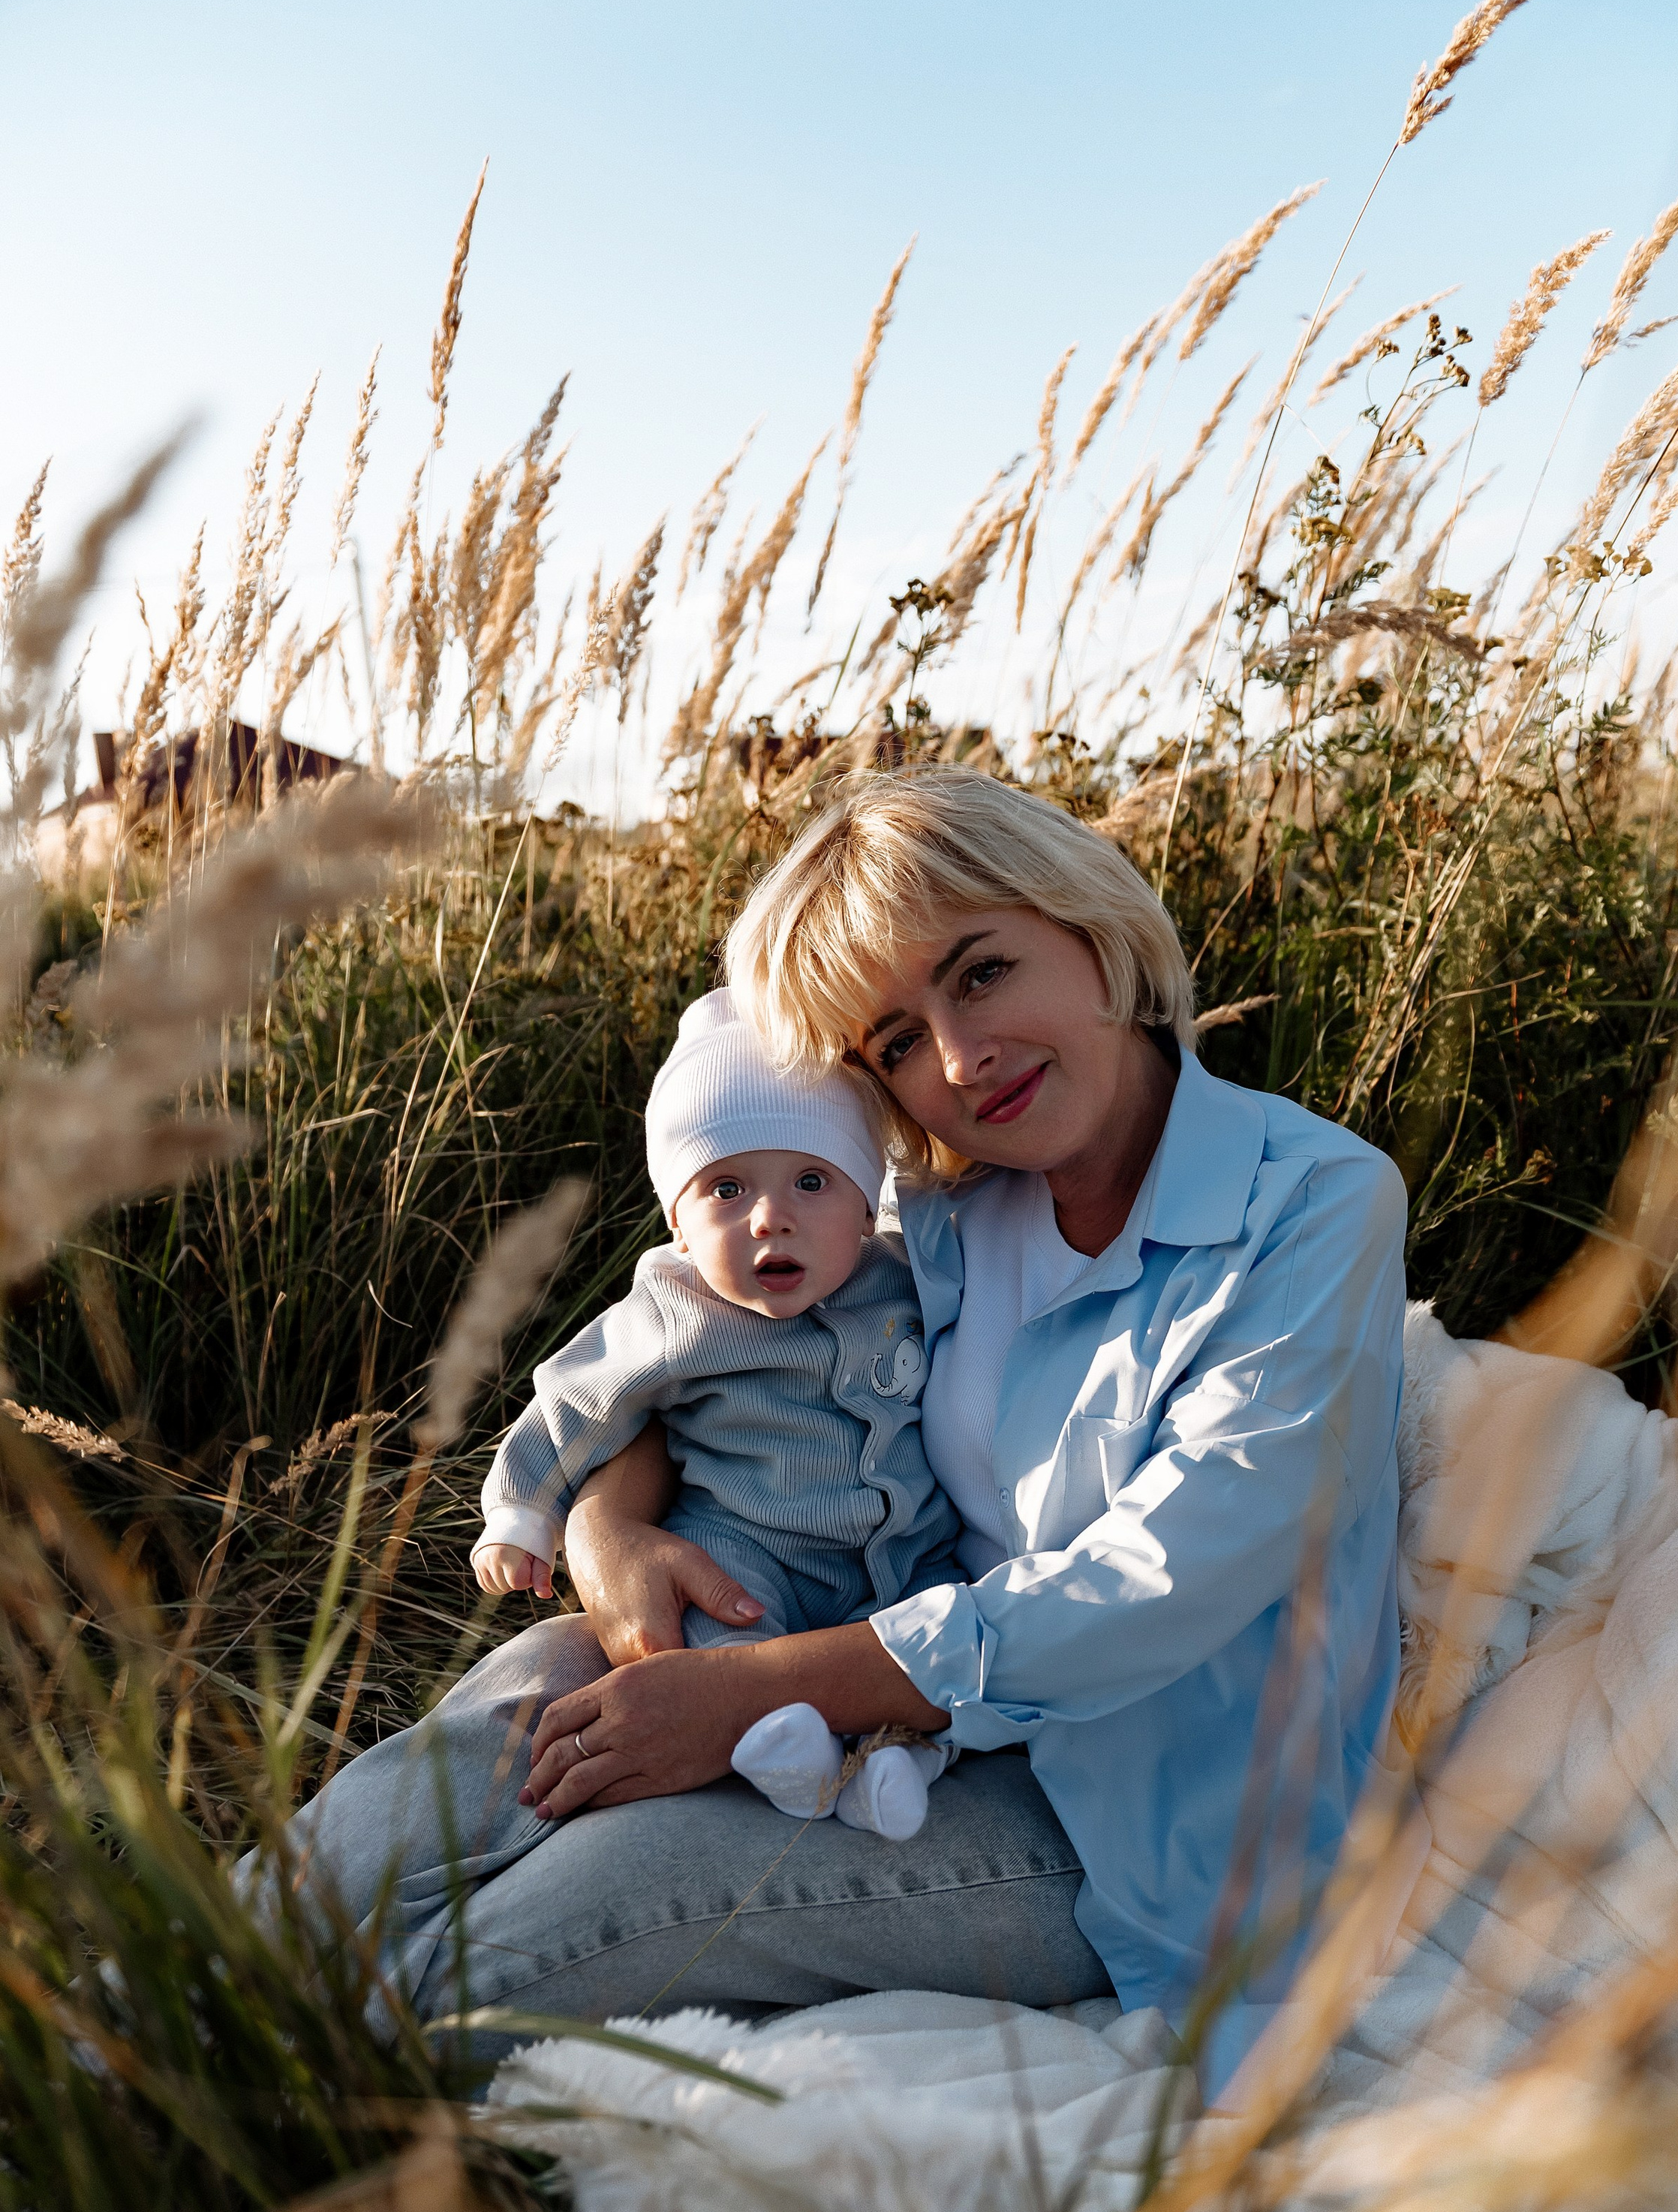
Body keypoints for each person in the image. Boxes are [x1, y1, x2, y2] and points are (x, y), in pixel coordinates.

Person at [266, 769, 1406, 2088]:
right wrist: (608, 1520)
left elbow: (1159, 1588)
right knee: (536, 1694)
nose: (962, 1062)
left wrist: (759, 1688)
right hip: (885, 1707)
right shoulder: (952, 1209)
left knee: (593, 1899)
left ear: (1091, 928)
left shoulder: (1311, 1203)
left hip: (1136, 1823)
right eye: (897, 1042)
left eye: (981, 974)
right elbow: (722, 1339)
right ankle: (148, 1983)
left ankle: (220, 2102)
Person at [472, 985, 962, 1840]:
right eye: (727, 1190)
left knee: (937, 1634)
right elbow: (579, 1395)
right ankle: (783, 1752)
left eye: (813, 1181)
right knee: (713, 1624)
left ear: (864, 1201)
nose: (771, 1217)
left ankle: (888, 1767)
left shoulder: (903, 1276)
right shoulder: (677, 1306)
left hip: (907, 1553)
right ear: (679, 1226)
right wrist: (522, 1511)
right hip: (748, 1547)